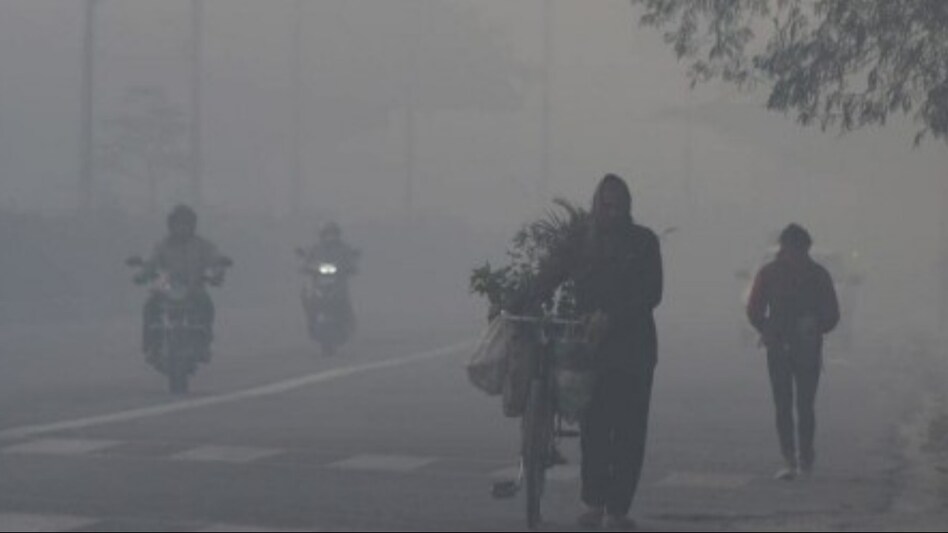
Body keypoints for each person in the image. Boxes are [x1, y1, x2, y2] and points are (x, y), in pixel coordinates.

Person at [522, 174, 663, 529]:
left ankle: (617, 509)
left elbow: (651, 293)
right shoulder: (580, 241)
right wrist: (519, 302)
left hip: (634, 352)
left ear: (627, 207)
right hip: (591, 351)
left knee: (629, 433)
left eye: (617, 205)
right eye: (605, 204)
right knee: (595, 429)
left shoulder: (643, 242)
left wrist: (611, 317)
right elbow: (548, 276)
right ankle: (595, 501)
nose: (611, 211)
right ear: (596, 204)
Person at [747, 223, 839, 480]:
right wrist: (768, 328)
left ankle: (803, 456)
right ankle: (790, 457)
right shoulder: (772, 274)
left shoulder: (817, 275)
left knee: (803, 405)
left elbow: (832, 314)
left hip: (805, 348)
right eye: (793, 250)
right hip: (781, 347)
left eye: (800, 250)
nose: (796, 255)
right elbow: (754, 310)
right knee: (785, 404)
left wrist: (815, 326)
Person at [140, 204, 227, 365]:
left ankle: (204, 342)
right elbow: (151, 262)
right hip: (166, 286)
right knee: (150, 306)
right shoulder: (162, 245)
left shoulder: (202, 245)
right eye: (178, 224)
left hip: (194, 287)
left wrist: (217, 272)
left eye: (186, 224)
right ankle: (150, 344)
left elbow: (215, 258)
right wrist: (143, 274)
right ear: (171, 225)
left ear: (192, 226)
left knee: (206, 305)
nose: (182, 228)